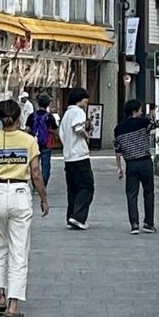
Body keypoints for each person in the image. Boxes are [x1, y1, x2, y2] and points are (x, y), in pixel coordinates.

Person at [0, 95, 49, 317]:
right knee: (19, 249)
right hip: (20, 193)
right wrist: (43, 198)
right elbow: (36, 173)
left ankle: (0, 294)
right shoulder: (29, 141)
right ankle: (14, 304)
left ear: (0, 117)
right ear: (18, 118)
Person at [113, 95, 156, 232]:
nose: (142, 112)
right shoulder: (143, 122)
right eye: (140, 110)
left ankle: (134, 224)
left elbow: (117, 149)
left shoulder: (118, 129)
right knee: (148, 193)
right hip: (145, 162)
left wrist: (119, 168)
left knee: (131, 194)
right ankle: (148, 223)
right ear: (134, 111)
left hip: (130, 164)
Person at [59, 86, 95, 229]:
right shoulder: (78, 112)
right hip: (80, 155)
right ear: (79, 99)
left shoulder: (66, 114)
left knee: (73, 189)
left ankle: (71, 217)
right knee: (87, 187)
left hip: (68, 157)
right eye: (85, 100)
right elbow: (78, 127)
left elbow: (62, 134)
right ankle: (78, 217)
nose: (86, 103)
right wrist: (86, 136)